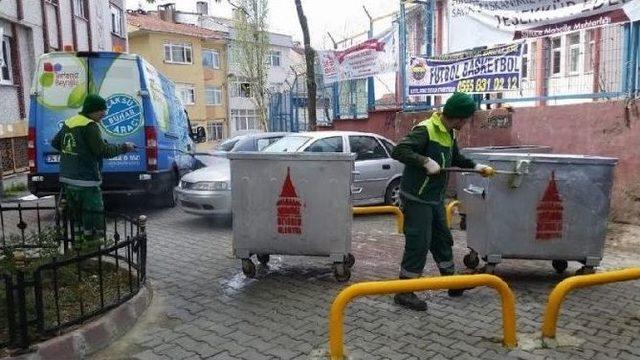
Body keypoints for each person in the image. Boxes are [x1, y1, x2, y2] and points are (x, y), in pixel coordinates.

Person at [391, 92, 495, 311]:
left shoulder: (449, 133)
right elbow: (399, 150)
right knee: (418, 243)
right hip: (417, 198)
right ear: (458, 117)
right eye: (466, 119)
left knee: (442, 240)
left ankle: (451, 282)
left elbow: (456, 158)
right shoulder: (425, 129)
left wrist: (476, 167)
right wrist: (425, 161)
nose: (467, 123)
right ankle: (404, 291)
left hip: (434, 198)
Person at [52, 94, 136, 248]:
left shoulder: (70, 122)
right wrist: (124, 147)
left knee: (77, 218)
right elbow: (103, 151)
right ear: (93, 110)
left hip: (68, 179)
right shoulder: (90, 126)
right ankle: (94, 251)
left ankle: (79, 250)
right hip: (86, 181)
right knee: (93, 216)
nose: (103, 115)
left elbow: (56, 143)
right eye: (102, 112)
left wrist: (76, 152)